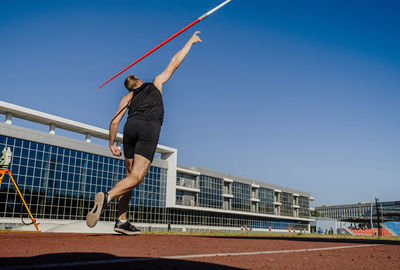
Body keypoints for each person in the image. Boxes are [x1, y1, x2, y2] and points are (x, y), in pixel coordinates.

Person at [86, 31, 202, 235]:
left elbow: (114, 121)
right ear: (139, 80)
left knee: (129, 177)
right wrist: (190, 42)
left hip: (130, 128)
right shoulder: (156, 83)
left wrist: (111, 143)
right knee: (137, 177)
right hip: (149, 127)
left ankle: (121, 221)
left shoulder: (127, 98)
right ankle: (107, 196)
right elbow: (175, 62)